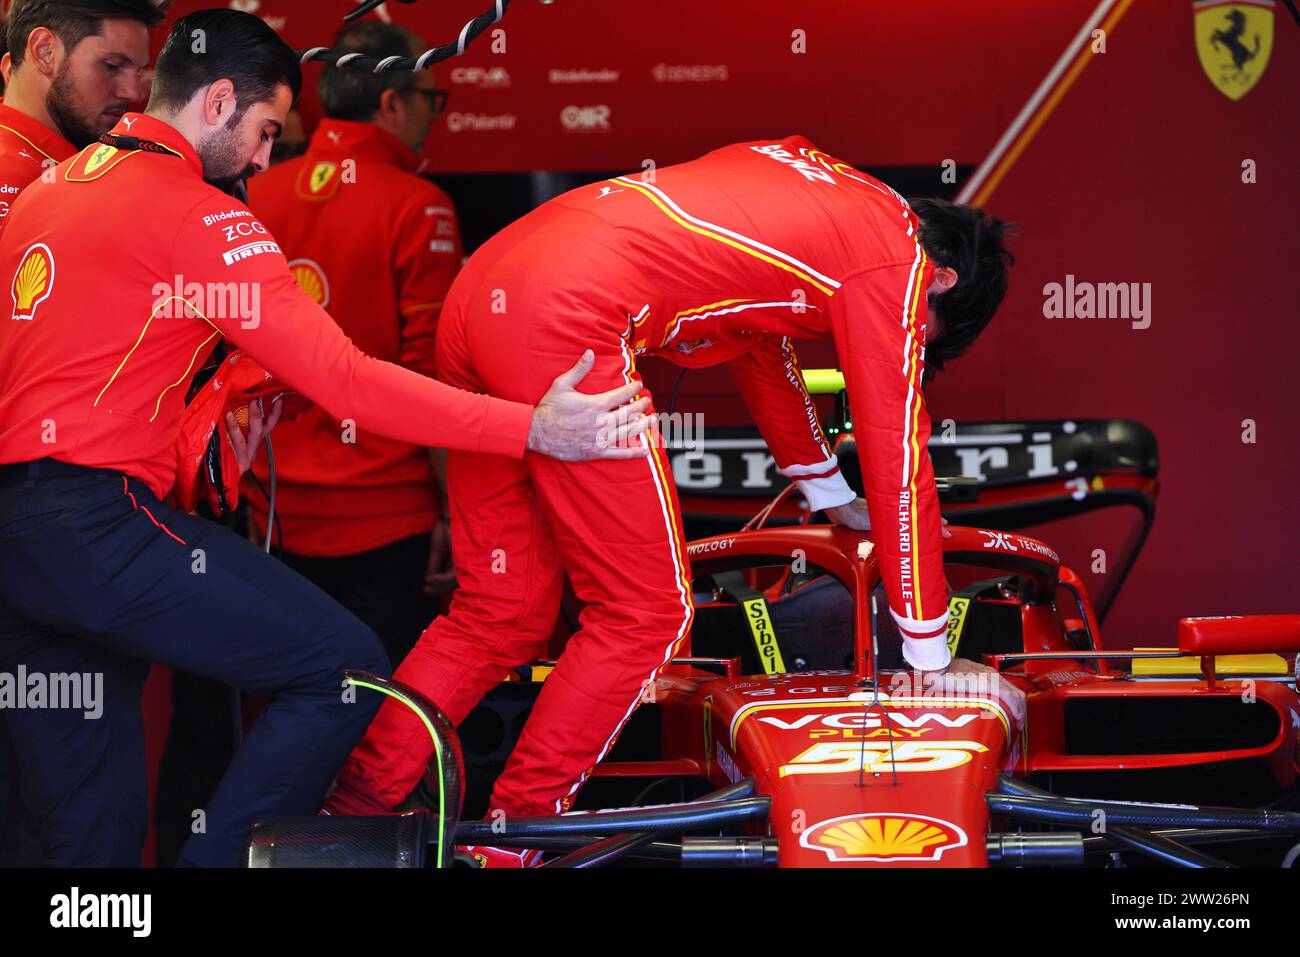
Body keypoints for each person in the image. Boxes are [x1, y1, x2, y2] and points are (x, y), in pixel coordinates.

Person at [0, 8, 649, 867]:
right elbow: (347, 379)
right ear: (220, 100)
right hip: (101, 524)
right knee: (341, 666)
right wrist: (533, 427)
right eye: (267, 130)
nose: (269, 158)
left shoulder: (58, 182)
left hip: (20, 538)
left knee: (87, 830)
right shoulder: (193, 211)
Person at [325, 137, 1015, 865]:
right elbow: (897, 453)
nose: (908, 347)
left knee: (500, 609)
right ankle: (514, 839)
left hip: (483, 295)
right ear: (939, 283)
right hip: (567, 319)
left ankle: (348, 815)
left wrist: (829, 493)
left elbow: (760, 341)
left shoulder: (820, 189)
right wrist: (928, 651)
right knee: (645, 610)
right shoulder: (894, 259)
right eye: (926, 340)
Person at [244, 20, 460, 667]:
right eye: (431, 99)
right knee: (382, 720)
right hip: (388, 521)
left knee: (294, 709)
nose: (433, 117)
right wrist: (454, 515)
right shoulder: (419, 207)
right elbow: (433, 384)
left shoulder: (254, 194)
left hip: (269, 515)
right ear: (392, 103)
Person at [0, 0, 158, 239]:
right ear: (45, 51)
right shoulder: (11, 180)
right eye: (112, 66)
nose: (133, 92)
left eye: (137, 72)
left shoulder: (83, 160)